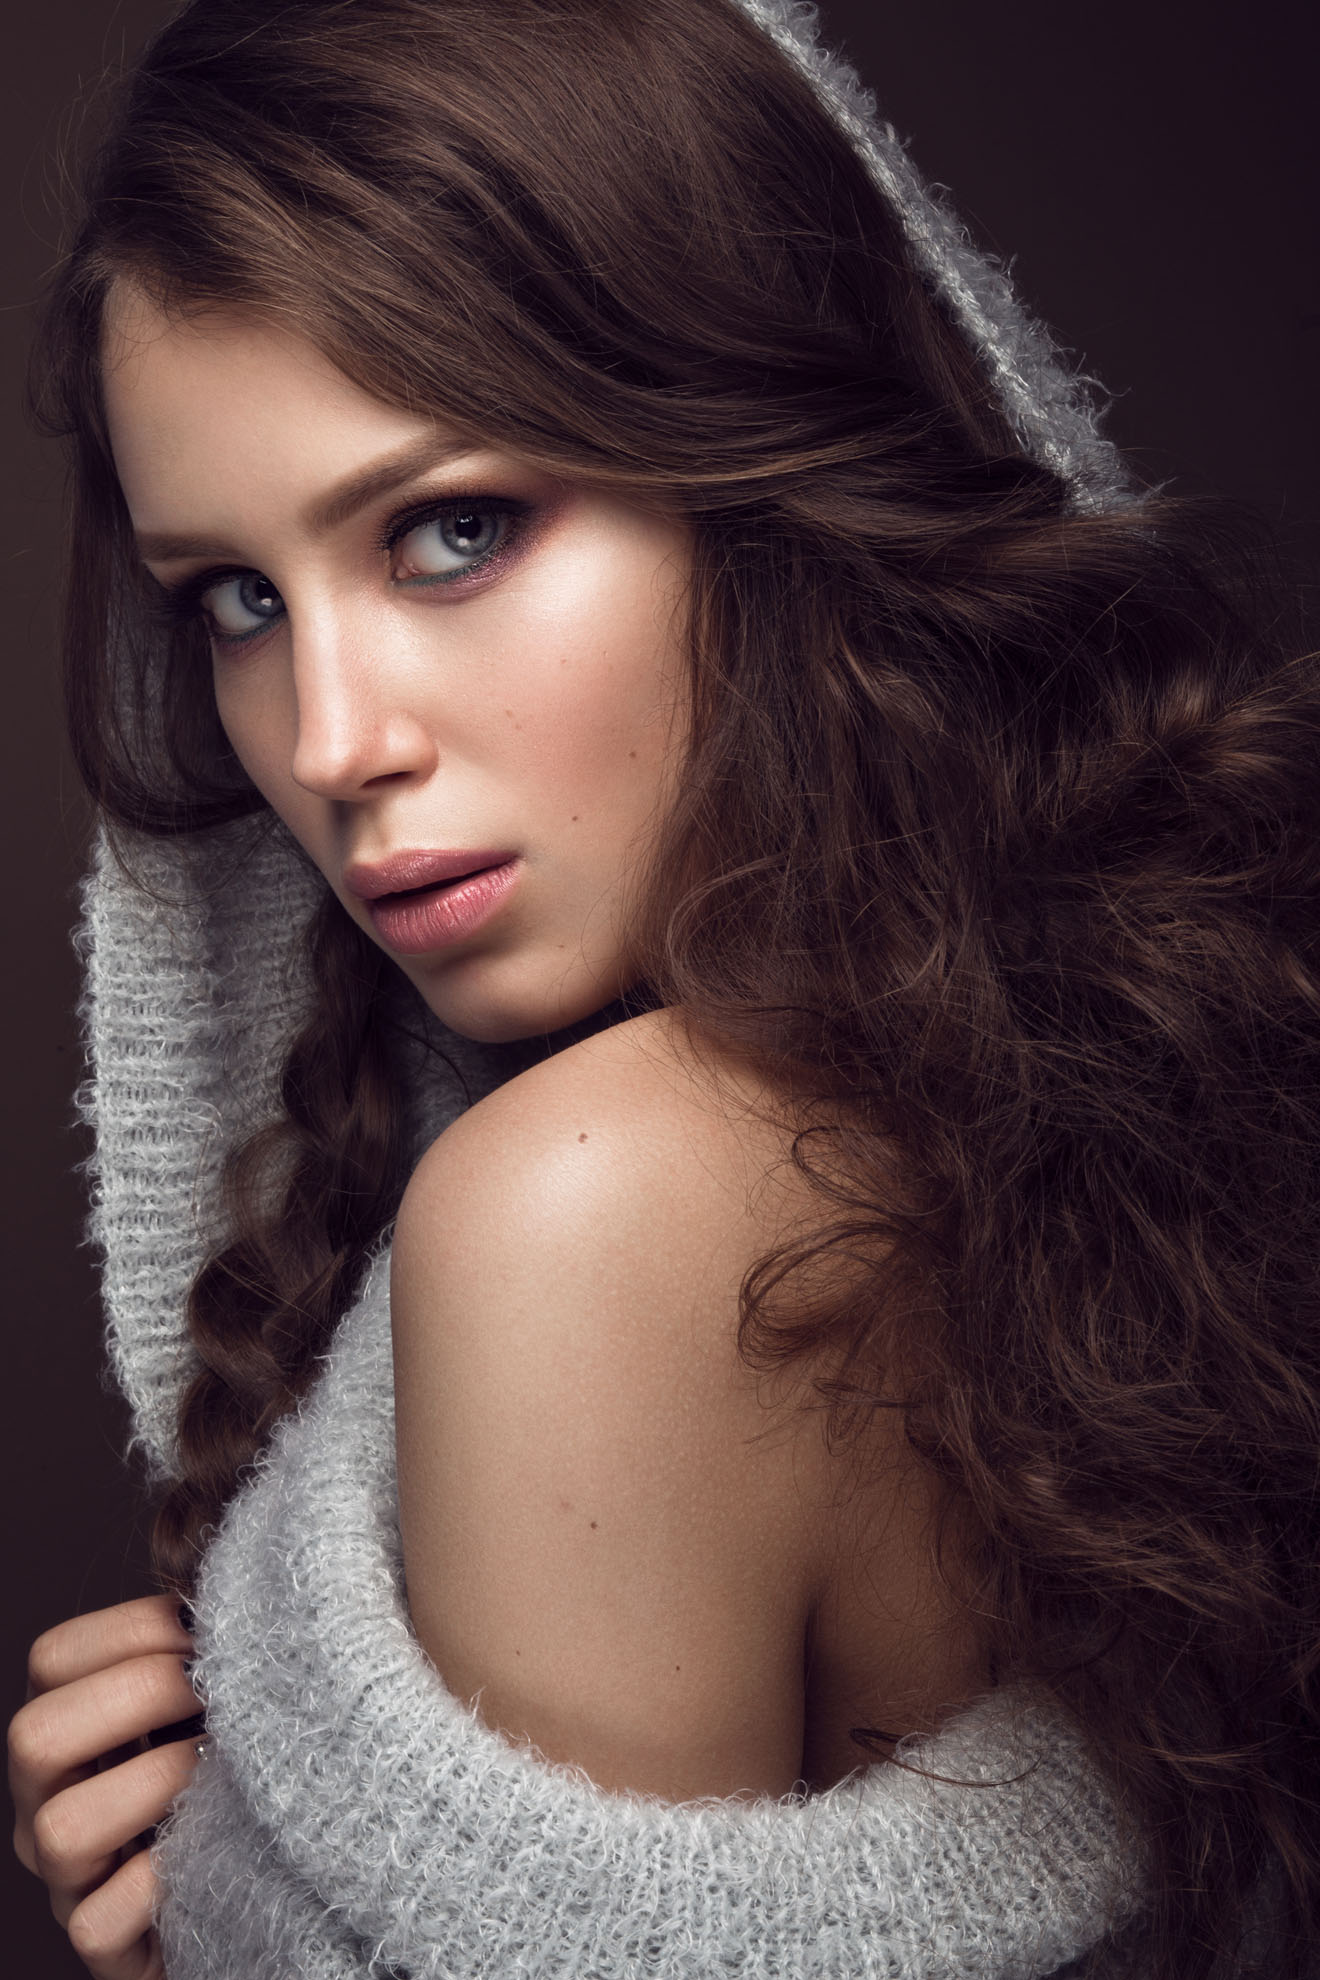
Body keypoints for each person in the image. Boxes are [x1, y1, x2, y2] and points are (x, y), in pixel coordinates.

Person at [7, 0, 1319, 1974]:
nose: (333, 738)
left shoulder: (595, 1202)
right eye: (241, 602)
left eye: (454, 530)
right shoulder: (1054, 1117)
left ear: (762, 494)